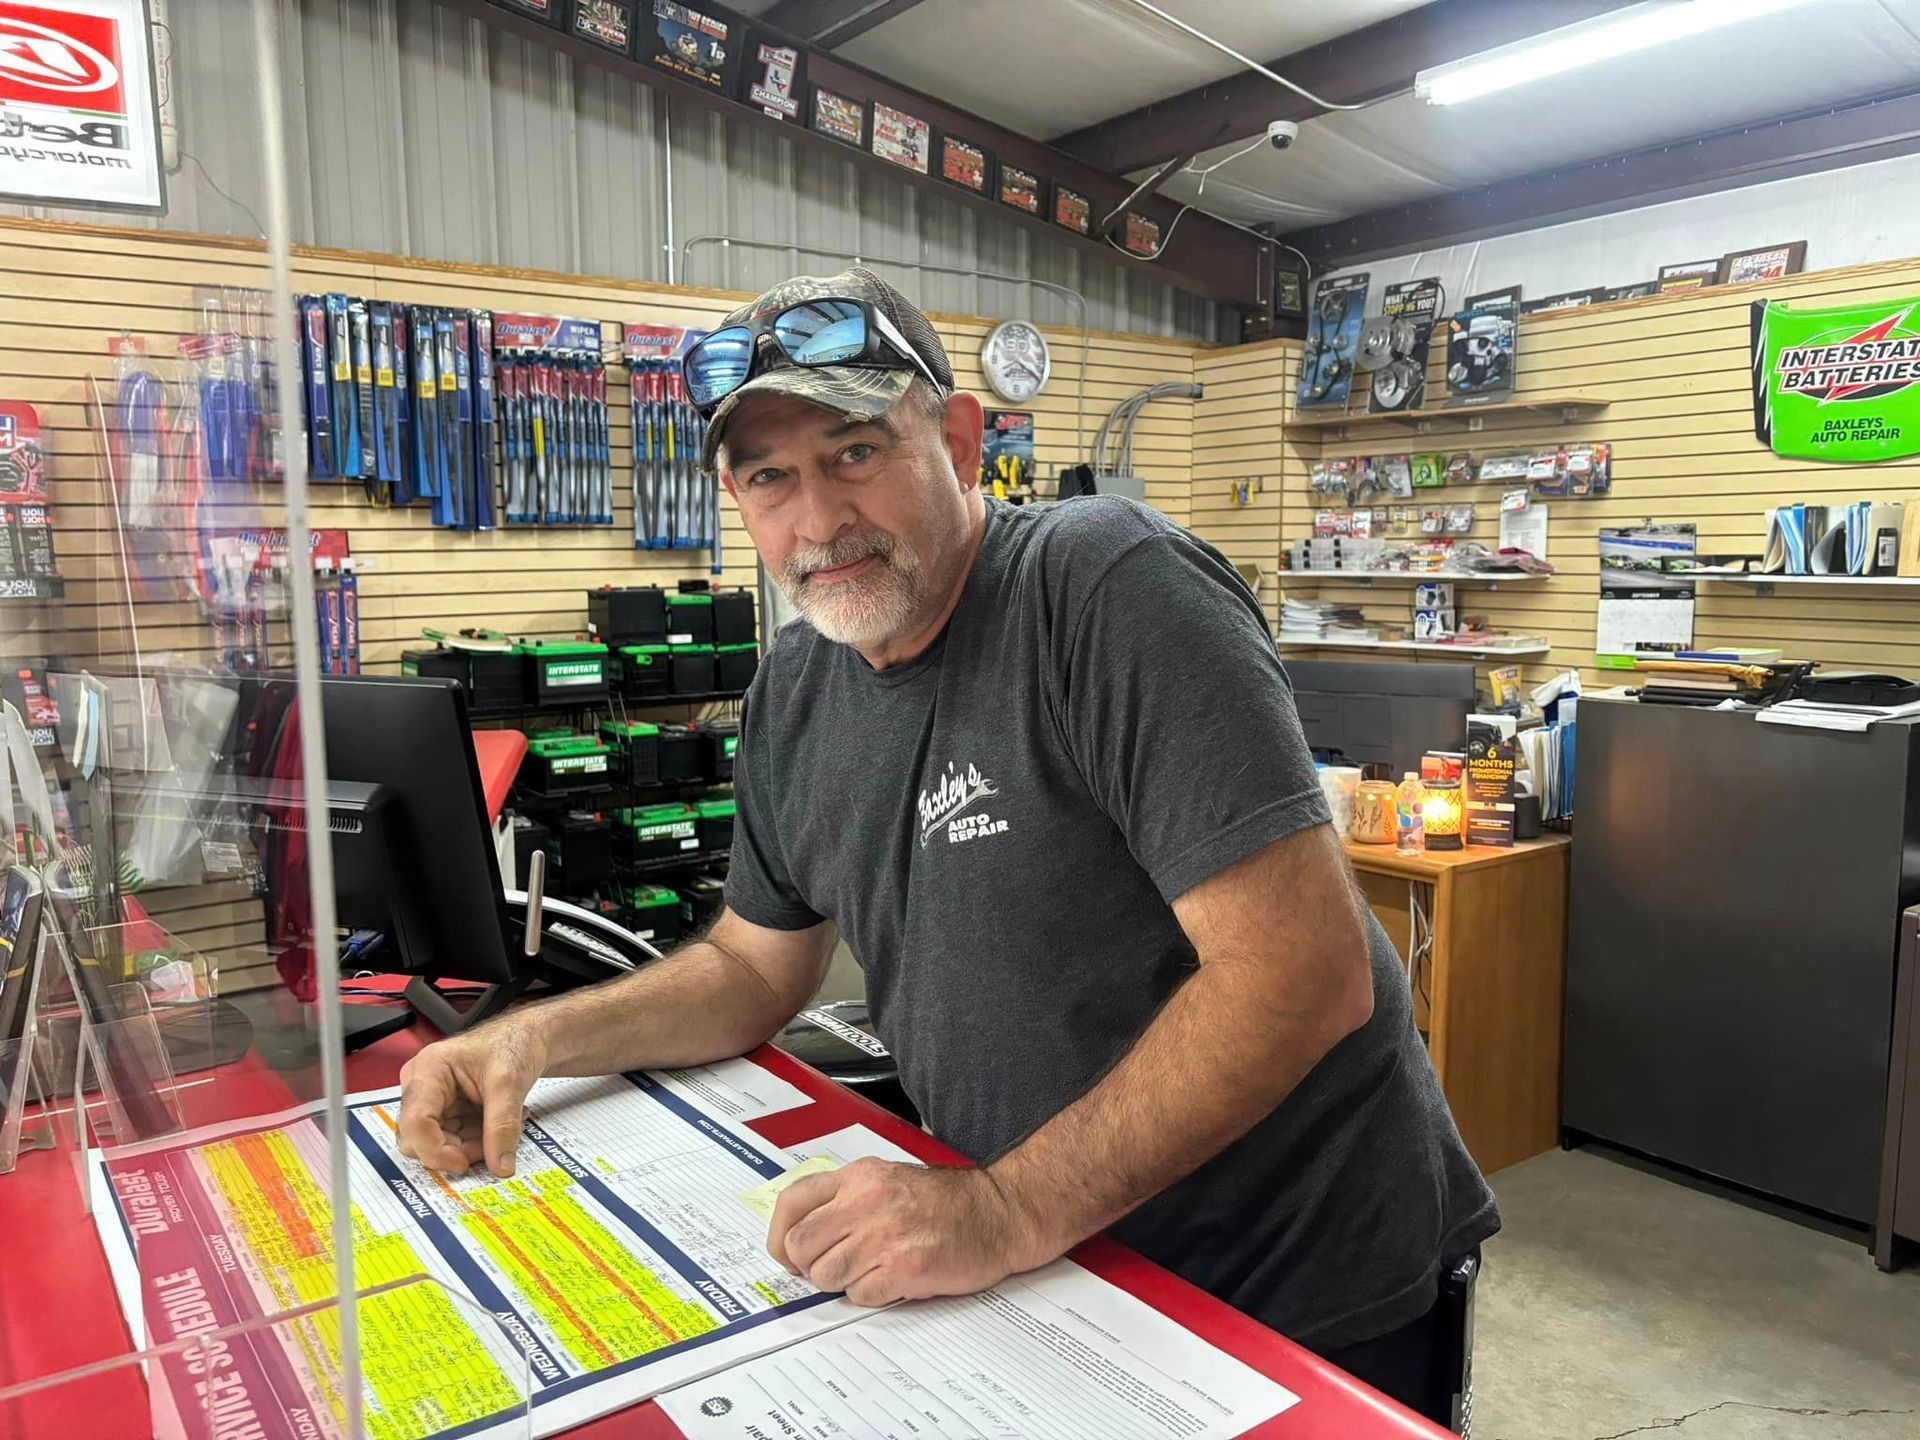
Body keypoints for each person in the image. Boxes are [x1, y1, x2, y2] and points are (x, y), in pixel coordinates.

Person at [397, 267, 1498, 1423]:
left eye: (855, 451)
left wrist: (1002, 1209)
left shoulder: (1105, 588)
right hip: (1052, 1278)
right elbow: (748, 969)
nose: (817, 520)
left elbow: (1302, 976)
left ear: (960, 440)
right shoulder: (796, 691)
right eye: (771, 477)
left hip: (1287, 1295)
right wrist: (532, 1043)